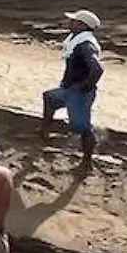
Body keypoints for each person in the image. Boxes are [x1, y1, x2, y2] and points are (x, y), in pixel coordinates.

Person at [42, 9, 104, 169]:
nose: (69, 23)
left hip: (79, 93)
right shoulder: (77, 41)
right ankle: (44, 133)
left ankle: (87, 161)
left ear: (82, 25)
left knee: (82, 127)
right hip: (70, 90)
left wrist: (82, 87)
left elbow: (97, 69)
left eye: (73, 21)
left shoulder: (85, 45)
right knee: (49, 97)